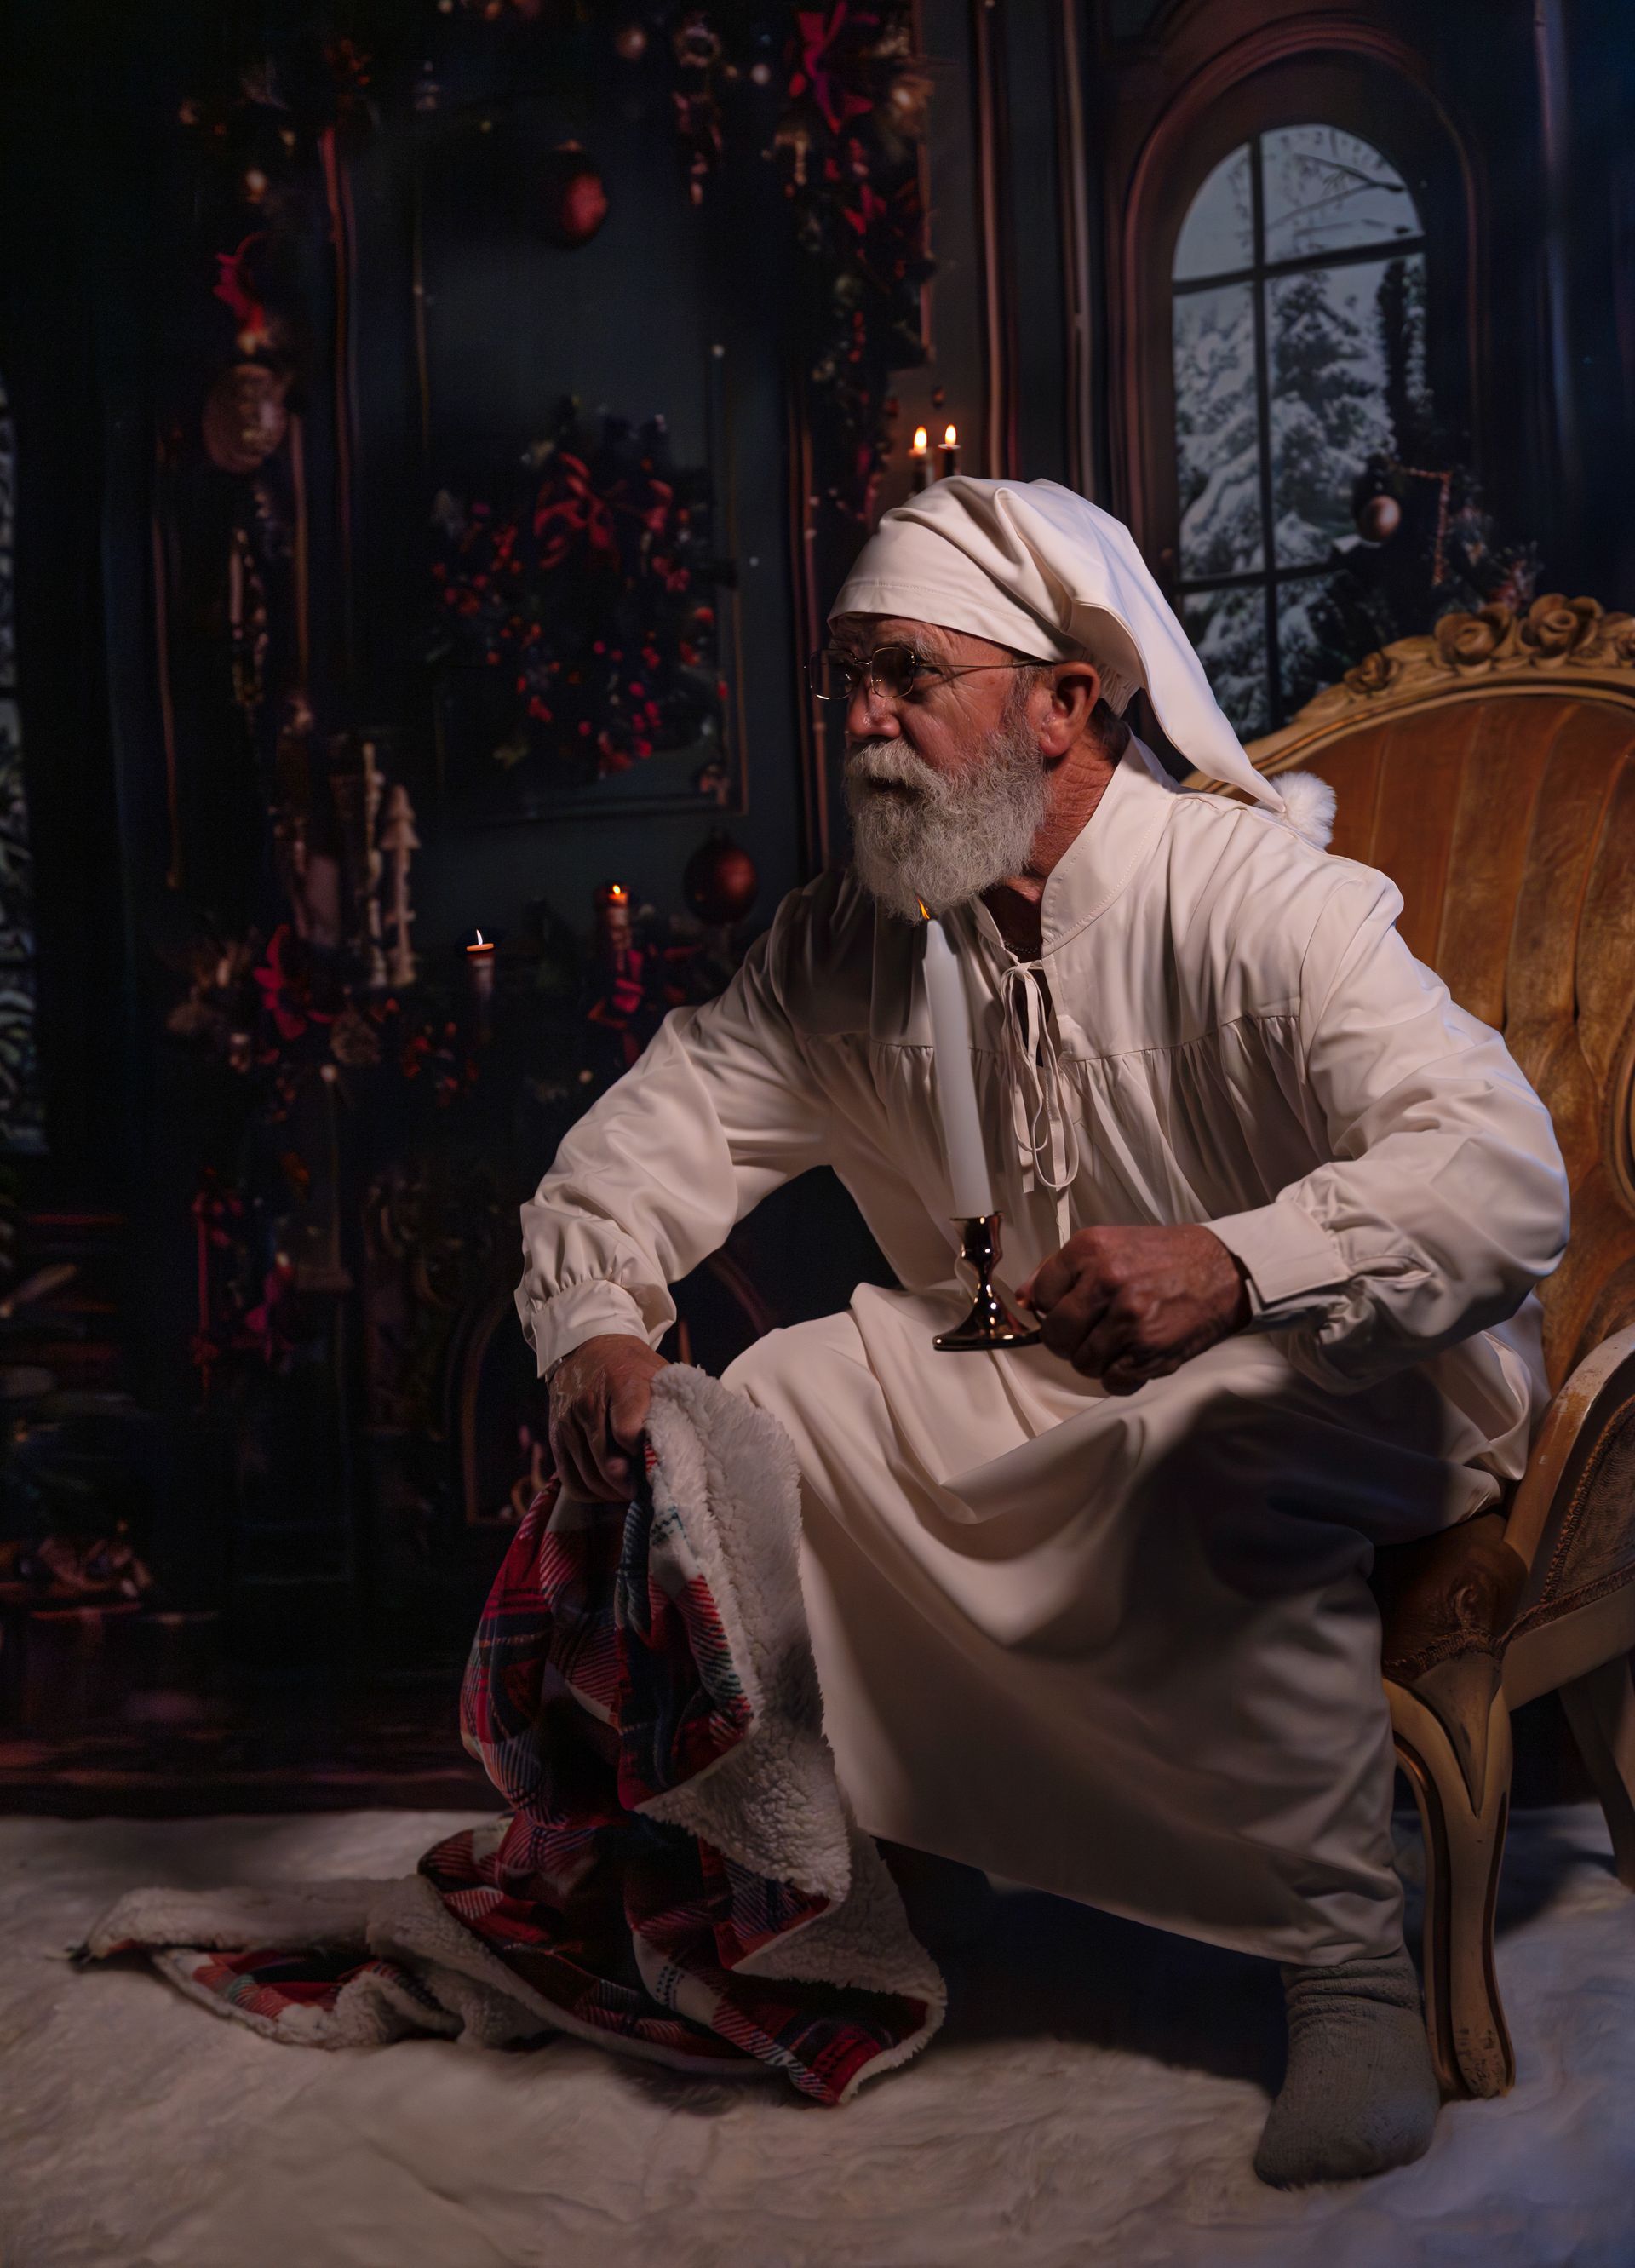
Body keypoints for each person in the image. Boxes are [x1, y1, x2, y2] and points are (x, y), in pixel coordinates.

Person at [519, 478, 1569, 2185]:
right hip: (1033, 1361)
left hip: (1352, 1365)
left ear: (1065, 701)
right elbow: (652, 1139)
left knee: (1198, 1434)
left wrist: (1235, 1266)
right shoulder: (853, 944)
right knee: (772, 1393)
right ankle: (869, 1889)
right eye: (843, 680)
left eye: (905, 678)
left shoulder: (1249, 899)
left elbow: (1506, 1173)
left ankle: (1346, 1970)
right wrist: (598, 1322)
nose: (858, 723)